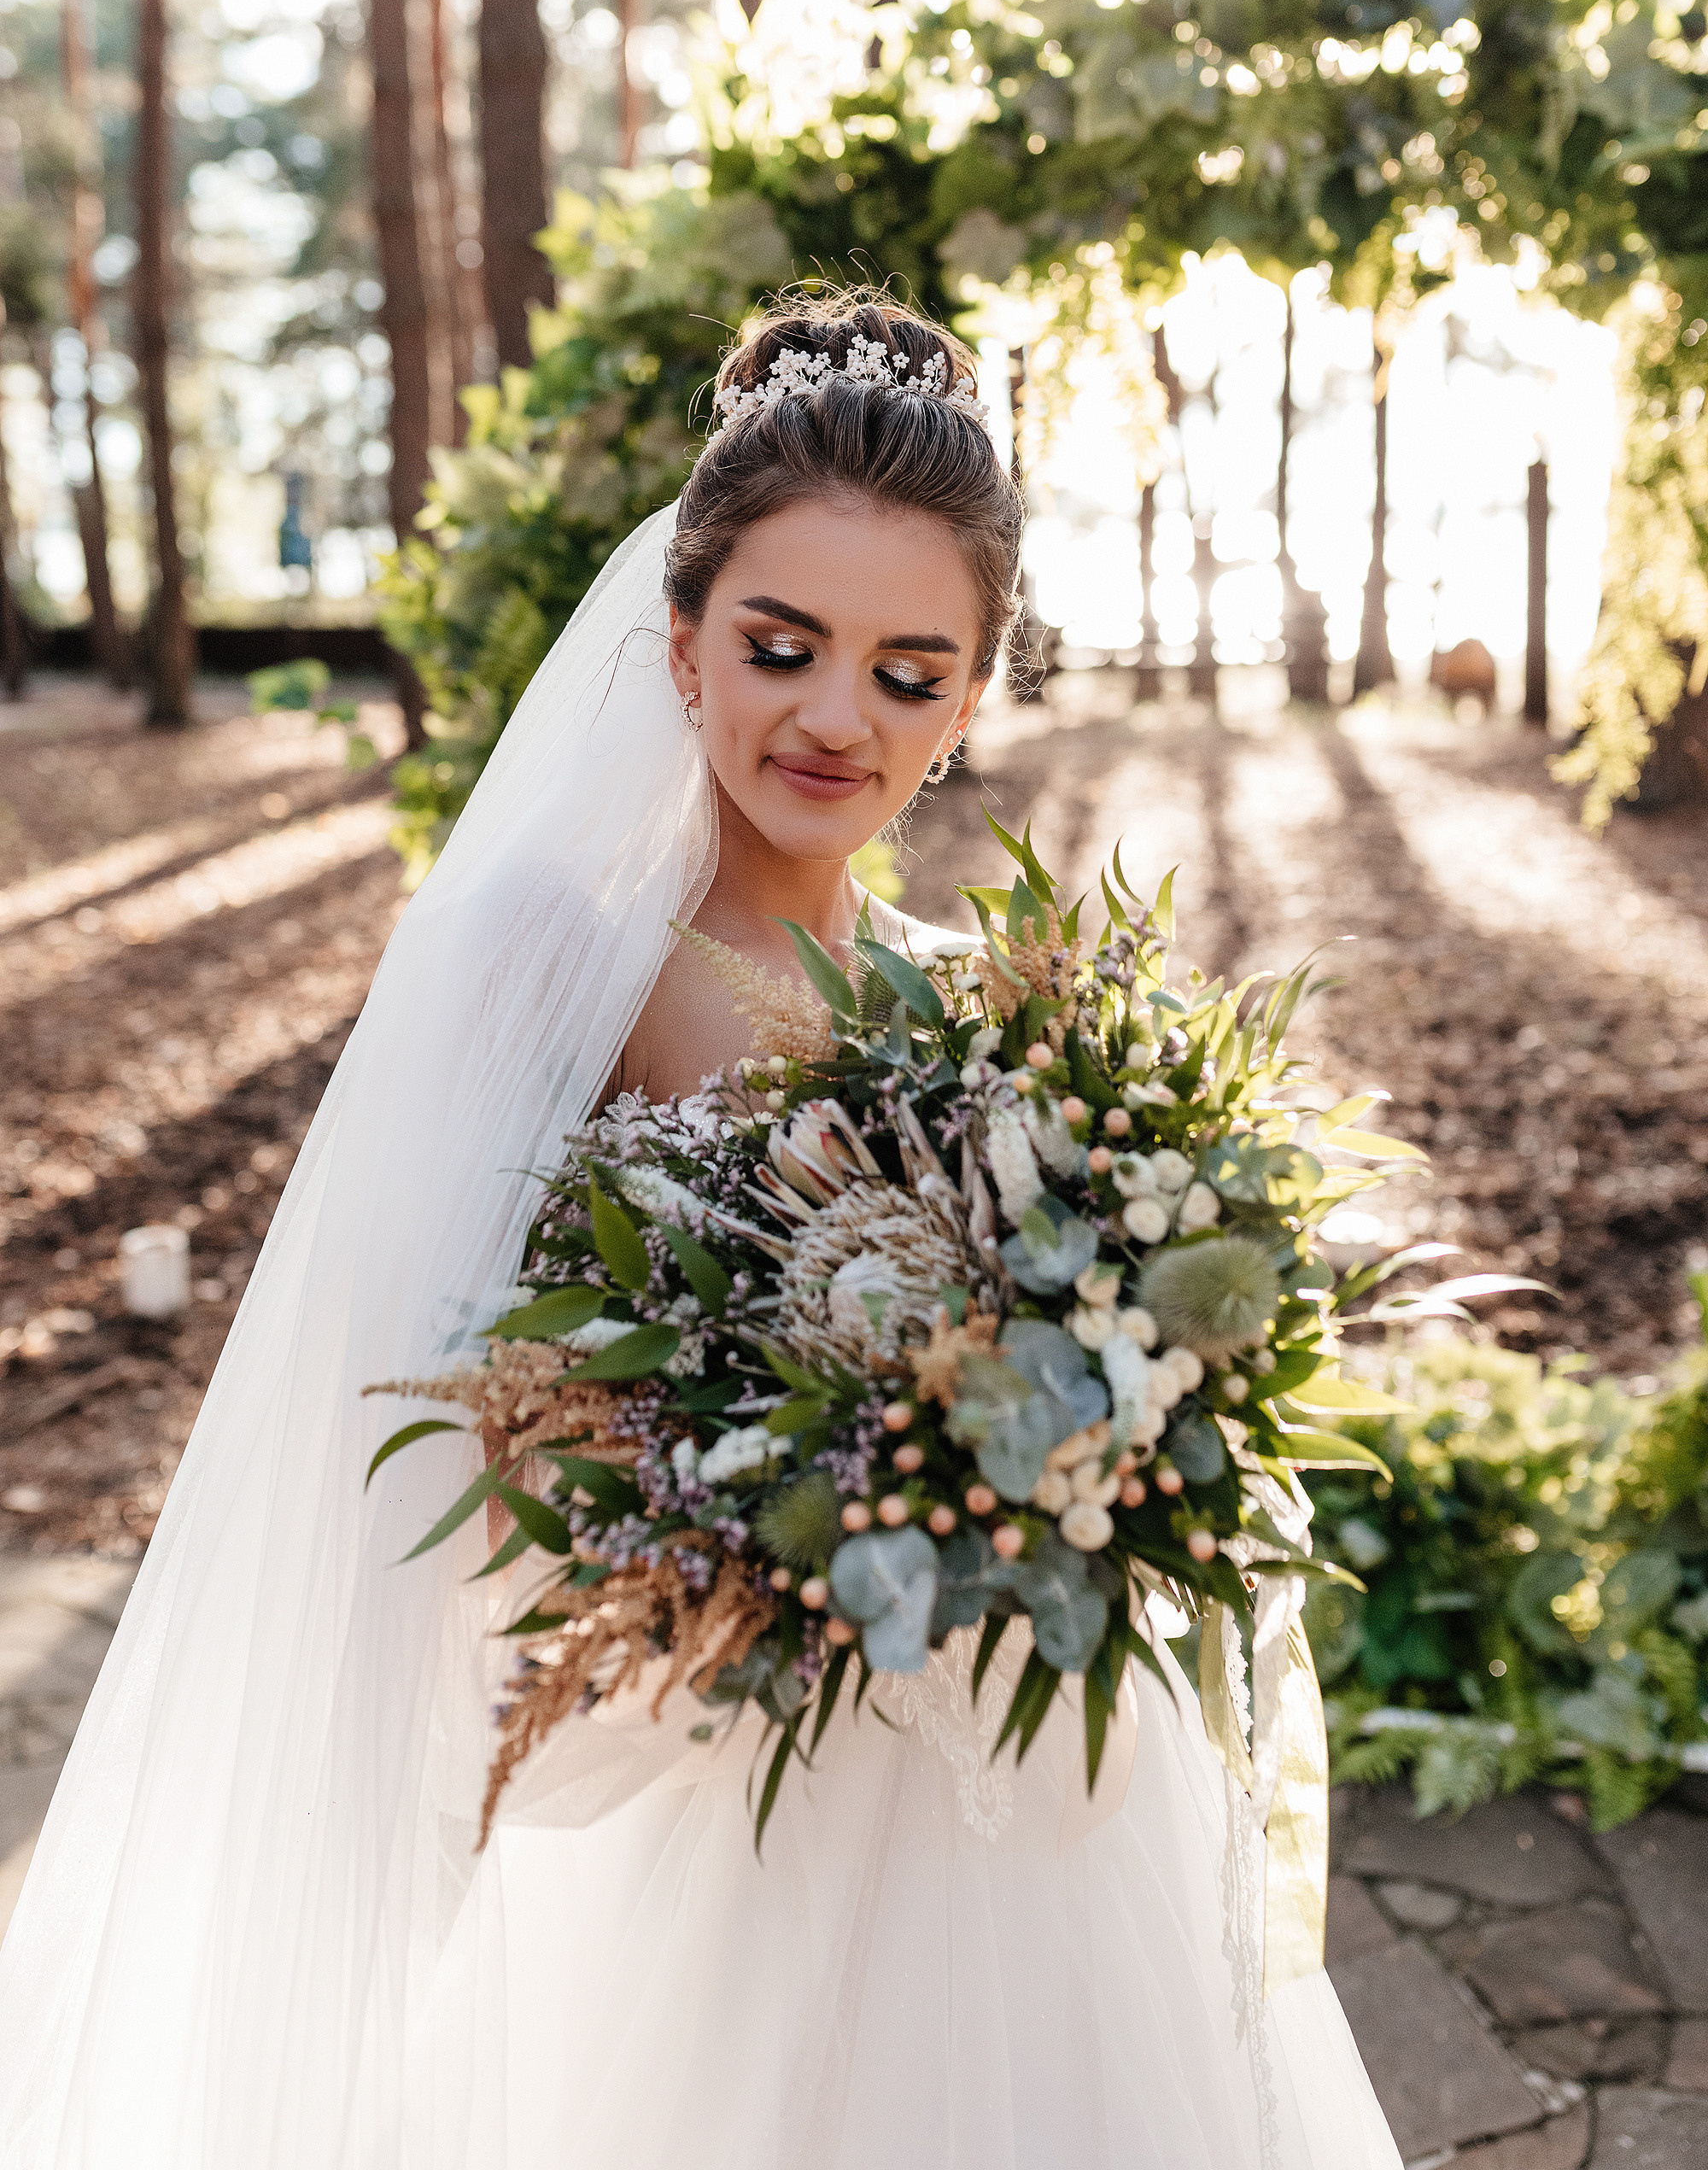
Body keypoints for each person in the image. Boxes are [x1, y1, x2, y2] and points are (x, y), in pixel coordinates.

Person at [0, 294, 1399, 2170]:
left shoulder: (988, 999)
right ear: (680, 642)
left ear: (973, 695)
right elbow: (429, 1426)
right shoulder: (554, 970)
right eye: (782, 646)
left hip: (1014, 1807)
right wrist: (764, 1559)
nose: (837, 718)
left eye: (910, 674)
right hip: (712, 1793)